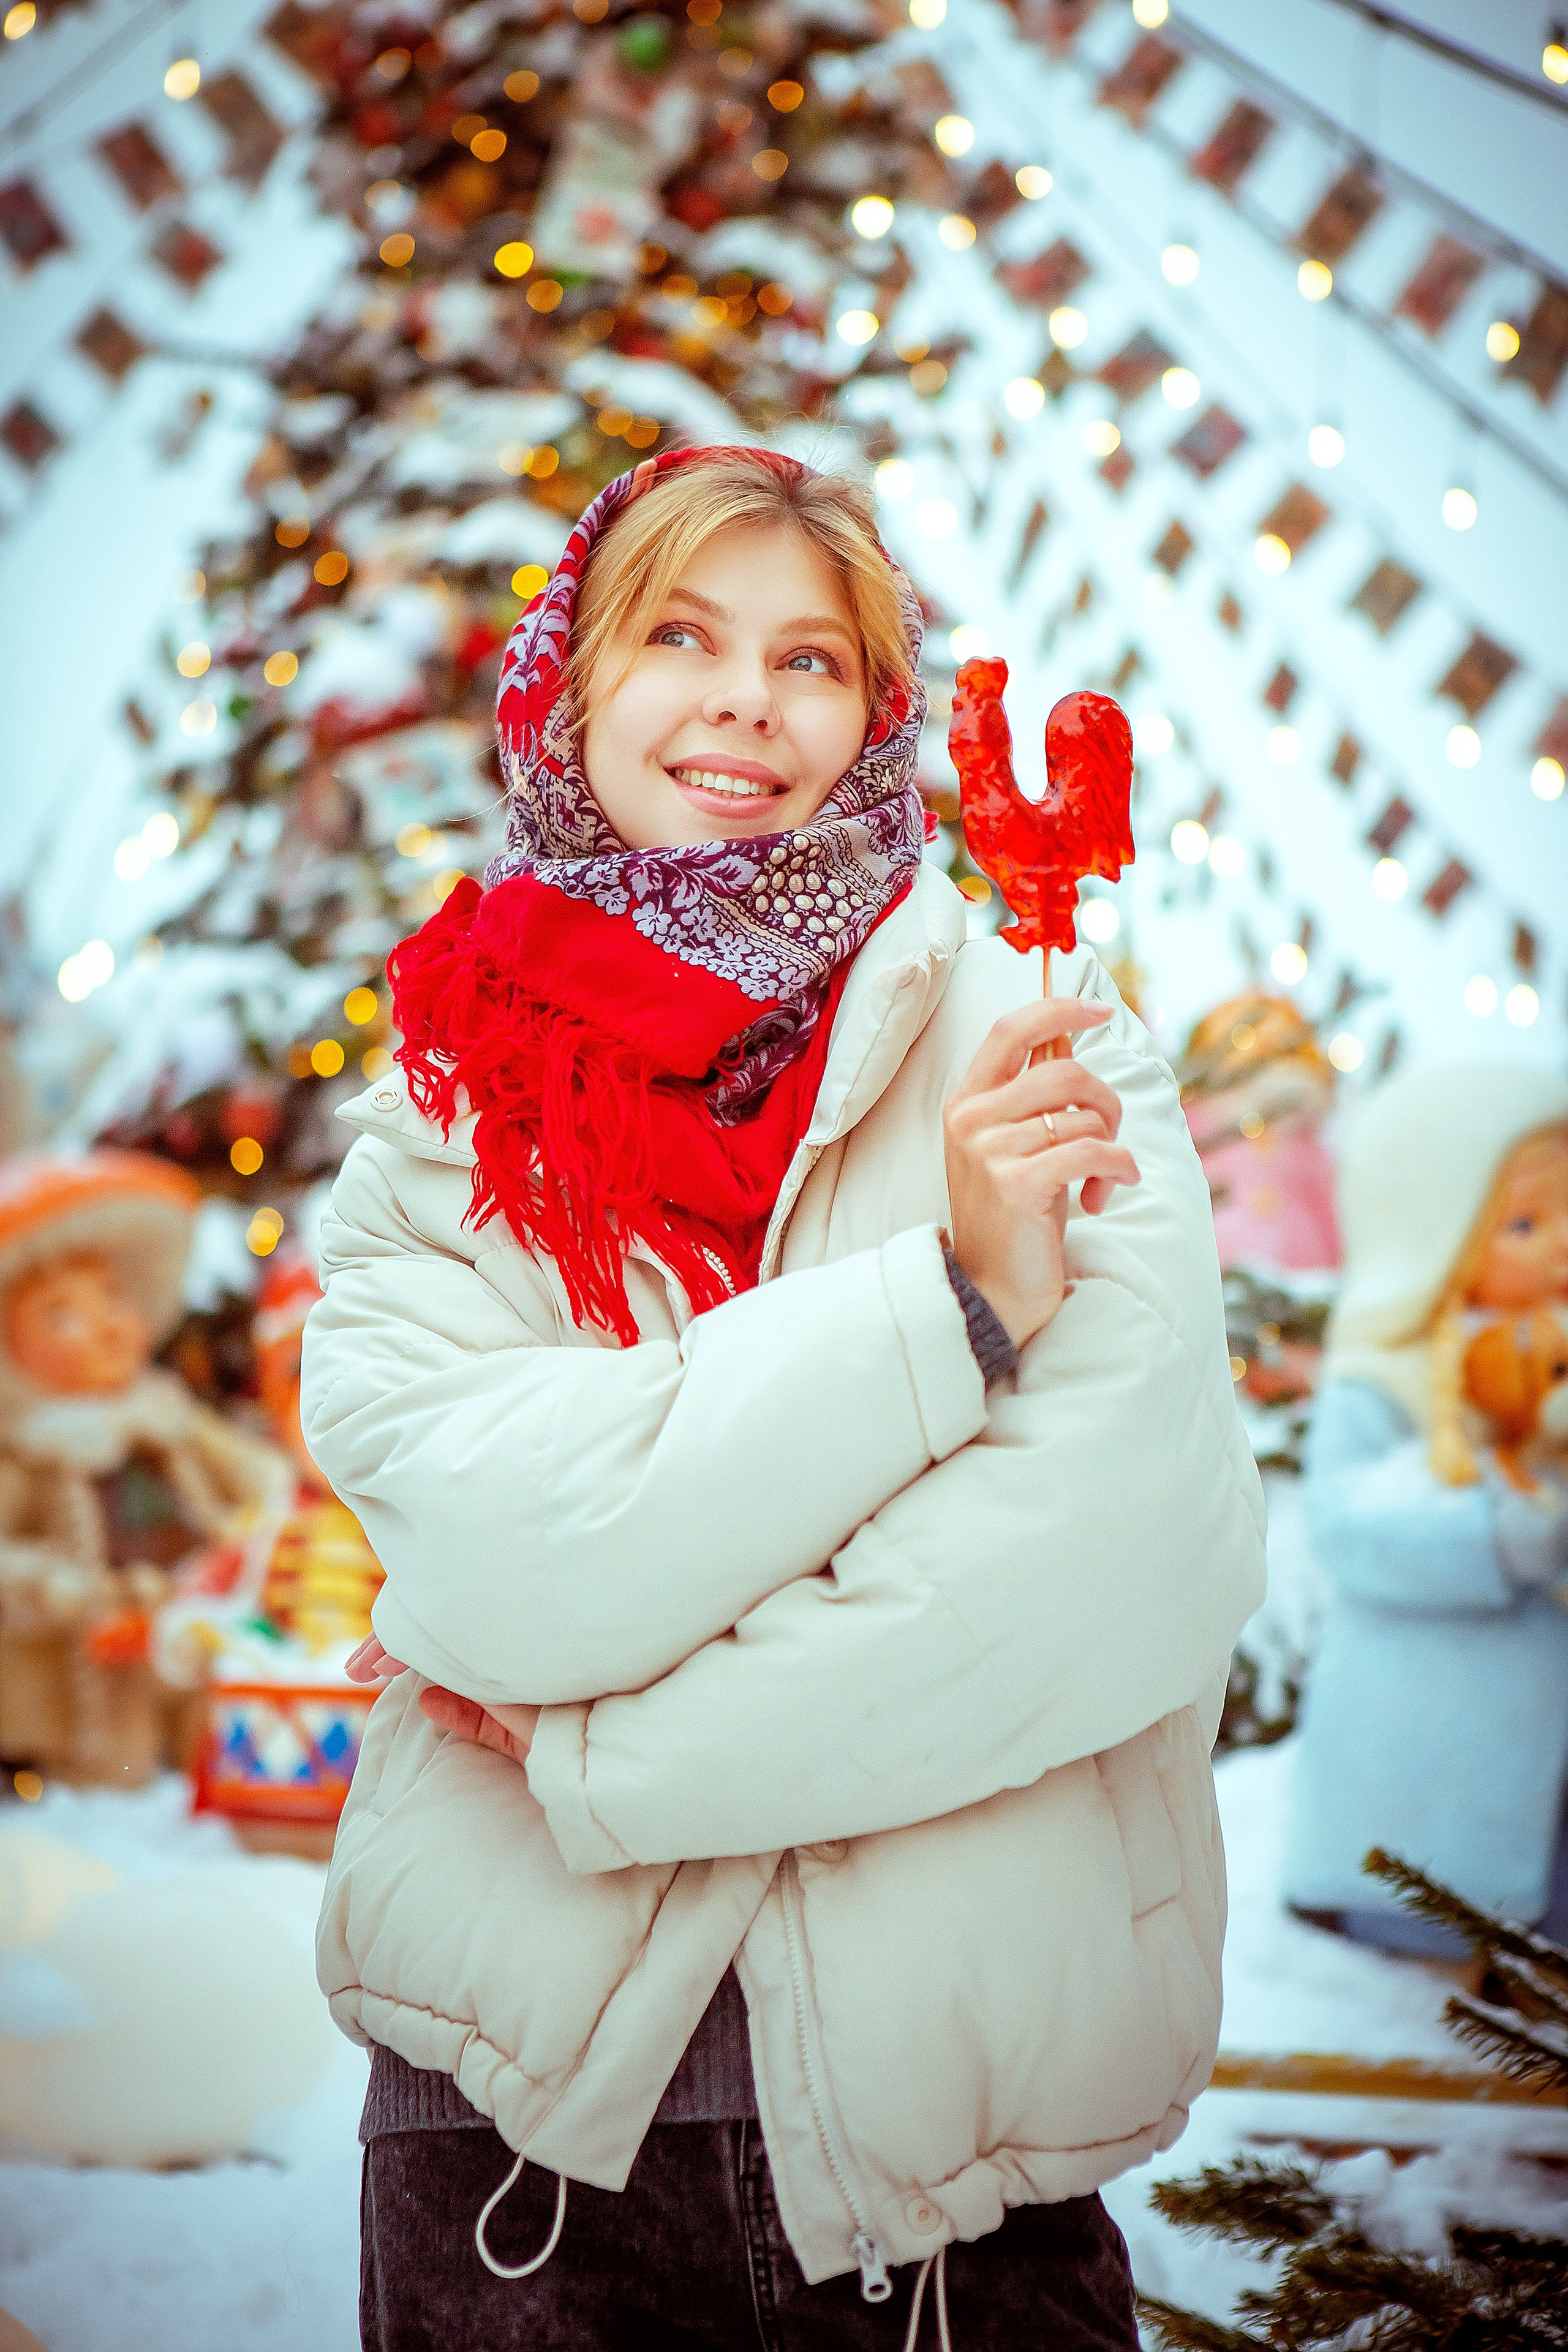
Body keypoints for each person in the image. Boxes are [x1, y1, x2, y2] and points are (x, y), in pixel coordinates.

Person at [301, 445, 1265, 2351]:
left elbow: (1093, 1577)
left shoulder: (1045, 1060)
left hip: (948, 2156)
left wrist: (593, 1755)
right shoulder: (444, 1114)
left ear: (879, 714)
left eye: (813, 658)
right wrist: (960, 1306)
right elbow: (507, 1564)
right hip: (517, 2132)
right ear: (573, 681)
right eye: (680, 632)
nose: (747, 695)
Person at [1283, 1062, 1568, 1952]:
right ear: (1434, 1229)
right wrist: (1498, 1533)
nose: (1561, 1245)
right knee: (1453, 1857)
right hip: (1433, 1735)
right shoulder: (1386, 1380)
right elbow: (1349, 1523)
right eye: (1526, 1222)